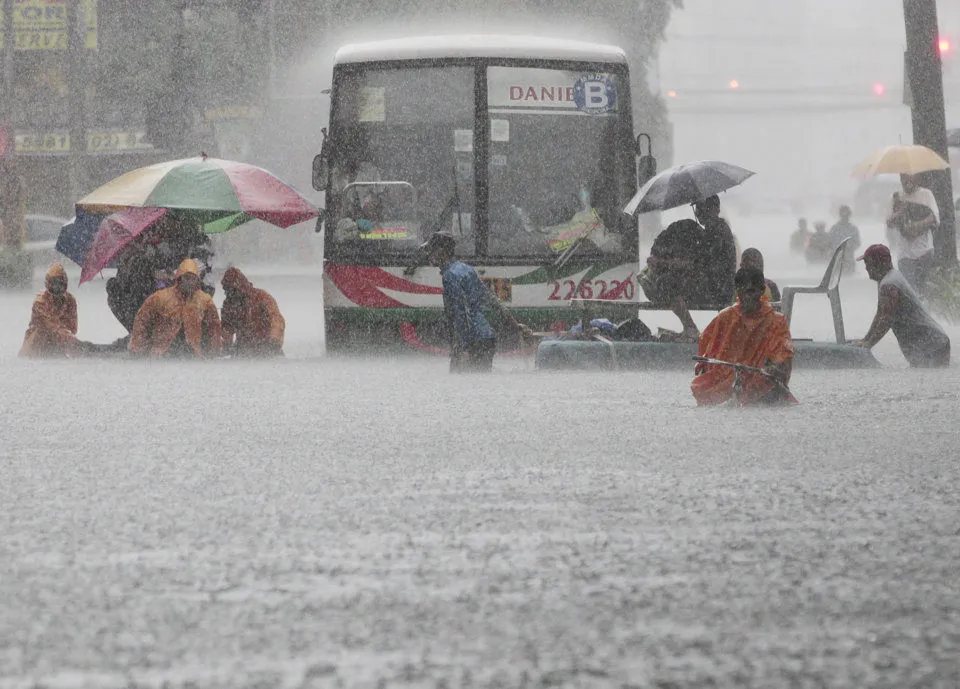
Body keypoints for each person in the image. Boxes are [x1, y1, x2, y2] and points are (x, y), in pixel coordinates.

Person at [422, 231, 531, 372]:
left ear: (441, 251)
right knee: (480, 382)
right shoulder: (466, 269)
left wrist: (462, 348)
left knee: (460, 382)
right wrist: (514, 325)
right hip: (487, 337)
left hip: (472, 340)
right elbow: (492, 300)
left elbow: (461, 313)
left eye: (431, 251)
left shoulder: (450, 276)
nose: (429, 255)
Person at [691, 267, 794, 406]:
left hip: (762, 384)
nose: (747, 297)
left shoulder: (776, 321)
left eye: (751, 291)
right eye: (742, 291)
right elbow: (706, 355)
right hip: (727, 382)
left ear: (762, 290)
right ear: (737, 292)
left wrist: (773, 369)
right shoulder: (725, 317)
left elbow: (784, 359)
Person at [852, 244, 950, 367]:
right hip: (930, 342)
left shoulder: (889, 285)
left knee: (928, 380)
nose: (866, 268)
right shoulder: (887, 279)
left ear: (880, 263)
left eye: (868, 263)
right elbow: (880, 313)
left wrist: (869, 344)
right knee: (922, 378)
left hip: (931, 345)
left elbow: (886, 319)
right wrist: (865, 340)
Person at [129, 258, 222, 358]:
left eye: (193, 278)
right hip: (162, 353)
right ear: (180, 278)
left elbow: (214, 326)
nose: (190, 282)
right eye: (187, 278)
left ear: (197, 280)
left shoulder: (204, 300)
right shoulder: (161, 297)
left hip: (192, 354)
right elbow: (142, 319)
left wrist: (213, 351)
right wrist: (138, 347)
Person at [886, 173, 939, 293]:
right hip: (904, 253)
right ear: (900, 179)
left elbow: (934, 217)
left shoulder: (926, 194)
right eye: (903, 178)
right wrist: (899, 212)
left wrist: (917, 225)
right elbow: (889, 223)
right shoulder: (896, 197)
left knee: (920, 288)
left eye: (910, 177)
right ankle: (916, 309)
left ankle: (923, 308)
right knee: (910, 289)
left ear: (918, 178)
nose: (907, 181)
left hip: (924, 251)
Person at [220, 267, 285, 356]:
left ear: (239, 286)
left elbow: (276, 319)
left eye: (231, 289)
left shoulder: (261, 297)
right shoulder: (229, 305)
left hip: (265, 347)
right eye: (226, 289)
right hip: (243, 349)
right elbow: (227, 328)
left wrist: (274, 340)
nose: (229, 293)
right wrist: (225, 345)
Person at [19, 263, 79, 358]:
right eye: (54, 284)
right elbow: (51, 326)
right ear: (48, 284)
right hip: (35, 347)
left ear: (65, 284)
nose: (57, 288)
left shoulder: (70, 300)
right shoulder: (40, 301)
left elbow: (73, 328)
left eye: (61, 284)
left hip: (57, 346)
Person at [692, 194, 738, 305]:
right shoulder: (713, 228)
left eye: (702, 207)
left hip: (719, 289)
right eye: (697, 208)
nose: (698, 212)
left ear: (715, 209)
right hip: (717, 286)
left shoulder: (717, 229)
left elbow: (704, 261)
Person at [828, 205, 860, 273]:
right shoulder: (835, 228)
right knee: (835, 278)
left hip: (849, 259)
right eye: (843, 215)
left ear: (849, 215)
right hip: (837, 258)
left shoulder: (853, 229)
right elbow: (829, 242)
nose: (845, 217)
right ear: (840, 215)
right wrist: (836, 248)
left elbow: (857, 243)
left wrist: (849, 247)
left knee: (849, 279)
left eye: (847, 215)